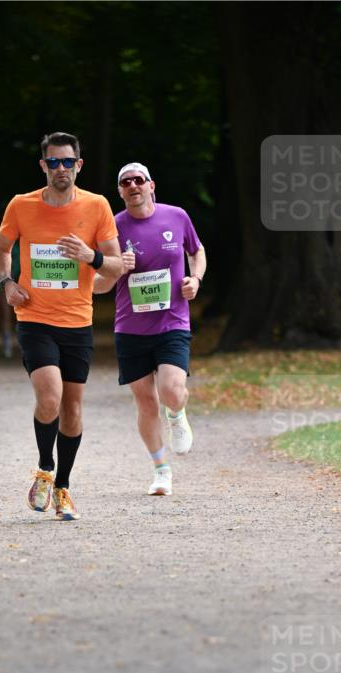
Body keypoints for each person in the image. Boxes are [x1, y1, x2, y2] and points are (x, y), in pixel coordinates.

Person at [0, 132, 122, 520]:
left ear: (79, 165)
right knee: (49, 397)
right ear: (43, 166)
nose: (61, 169)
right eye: (54, 162)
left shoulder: (97, 206)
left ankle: (63, 486)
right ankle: (45, 468)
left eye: (68, 162)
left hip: (77, 322)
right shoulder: (21, 205)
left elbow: (116, 265)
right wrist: (7, 282)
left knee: (73, 410)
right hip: (34, 318)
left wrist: (91, 256)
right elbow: (1, 249)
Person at [94, 162, 206, 496]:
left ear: (151, 185)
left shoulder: (176, 217)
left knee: (171, 390)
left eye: (138, 180)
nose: (133, 186)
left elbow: (197, 251)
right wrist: (115, 270)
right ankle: (161, 471)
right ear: (120, 191)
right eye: (125, 182)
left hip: (172, 322)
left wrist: (194, 279)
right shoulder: (112, 228)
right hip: (130, 328)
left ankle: (177, 413)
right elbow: (96, 286)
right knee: (145, 402)